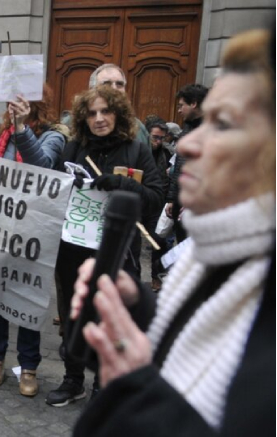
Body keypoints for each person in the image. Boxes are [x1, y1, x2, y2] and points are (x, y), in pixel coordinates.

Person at [72, 28, 274, 436]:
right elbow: (193, 337)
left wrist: (136, 384)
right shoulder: (213, 254)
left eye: (224, 124)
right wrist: (140, 313)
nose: (186, 146)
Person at [47, 85, 163, 407]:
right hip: (73, 249)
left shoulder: (137, 149)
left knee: (109, 314)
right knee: (73, 311)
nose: (99, 119)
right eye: (92, 113)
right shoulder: (73, 148)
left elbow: (155, 199)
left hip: (116, 251)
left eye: (105, 112)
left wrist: (123, 184)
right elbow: (53, 191)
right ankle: (73, 380)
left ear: (118, 114)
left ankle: (102, 383)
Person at [0, 86, 67, 397]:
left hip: (35, 233)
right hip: (1, 229)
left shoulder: (53, 135)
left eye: (20, 100)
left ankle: (29, 365)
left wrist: (20, 129)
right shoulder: (2, 136)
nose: (13, 105)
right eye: (11, 101)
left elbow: (42, 167)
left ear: (35, 103)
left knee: (28, 297)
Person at [166, 83, 208, 244]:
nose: (179, 110)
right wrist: (172, 198)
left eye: (181, 105)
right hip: (180, 201)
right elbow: (178, 166)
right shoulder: (187, 128)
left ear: (194, 104)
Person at [89, 64, 149, 147]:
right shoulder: (76, 122)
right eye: (106, 84)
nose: (114, 88)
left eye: (119, 84)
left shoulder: (137, 127)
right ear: (92, 89)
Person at [146, 121, 173, 291]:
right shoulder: (140, 150)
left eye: (162, 138)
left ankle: (157, 276)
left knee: (158, 241)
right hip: (140, 200)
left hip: (157, 203)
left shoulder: (166, 153)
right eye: (155, 137)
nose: (158, 141)